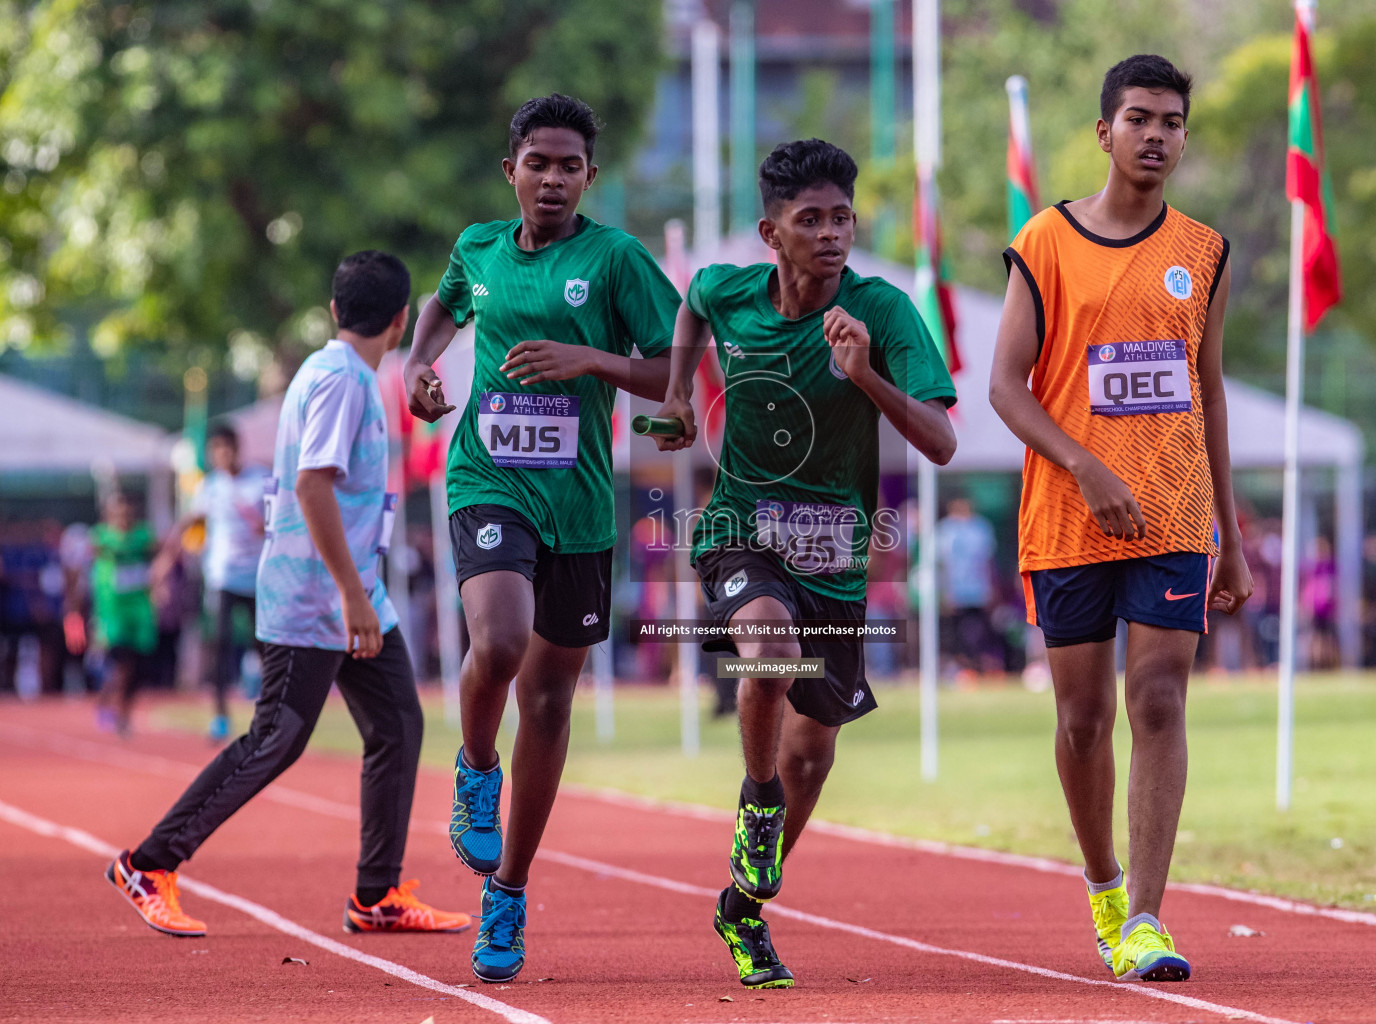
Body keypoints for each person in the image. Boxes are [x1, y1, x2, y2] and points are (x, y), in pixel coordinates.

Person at [651, 138, 957, 989]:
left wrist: (866, 378)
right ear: (771, 233)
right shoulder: (729, 290)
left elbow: (940, 441)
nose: (831, 234)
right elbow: (692, 308)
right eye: (809, 220)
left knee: (814, 754)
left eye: (842, 218)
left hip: (835, 559)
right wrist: (679, 394)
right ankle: (756, 800)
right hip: (740, 532)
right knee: (769, 642)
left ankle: (742, 910)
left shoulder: (883, 313)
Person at [106, 251, 468, 940]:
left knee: (397, 726)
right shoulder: (341, 382)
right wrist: (350, 597)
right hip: (315, 598)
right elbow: (312, 486)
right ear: (400, 321)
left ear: (335, 311)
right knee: (276, 739)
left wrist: (359, 596)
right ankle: (148, 864)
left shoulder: (342, 374)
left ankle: (376, 894)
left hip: (350, 595)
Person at [403, 94, 680, 983]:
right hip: (487, 475)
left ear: (590, 177)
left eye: (570, 165)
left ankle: (509, 892)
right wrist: (419, 363)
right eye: (538, 163)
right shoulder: (476, 250)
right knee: (500, 639)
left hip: (582, 508)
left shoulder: (615, 260)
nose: (553, 178)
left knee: (553, 703)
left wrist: (590, 360)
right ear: (511, 170)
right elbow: (442, 309)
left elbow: (676, 365)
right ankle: (476, 765)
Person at [988, 55, 1252, 982]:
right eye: (1139, 118)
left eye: (1173, 122)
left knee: (1159, 698)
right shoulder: (1046, 240)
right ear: (1104, 131)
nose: (1157, 135)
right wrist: (1086, 466)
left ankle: (1144, 916)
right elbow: (1004, 386)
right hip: (1066, 515)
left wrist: (1230, 535)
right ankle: (1102, 882)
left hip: (1176, 514)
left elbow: (1209, 392)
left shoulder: (1204, 251)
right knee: (1084, 717)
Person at [156, 422, 268, 739]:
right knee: (218, 641)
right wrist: (165, 561)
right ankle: (220, 715)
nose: (221, 455)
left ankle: (270, 709)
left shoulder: (260, 479)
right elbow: (188, 522)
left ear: (237, 448)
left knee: (264, 644)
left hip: (258, 576)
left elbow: (283, 516)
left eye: (226, 448)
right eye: (215, 450)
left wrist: (271, 527)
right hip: (223, 576)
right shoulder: (210, 487)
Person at [87, 493, 159, 736]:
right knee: (122, 665)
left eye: (127, 514)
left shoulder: (143, 537)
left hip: (140, 612)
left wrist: (160, 580)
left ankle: (121, 709)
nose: (123, 519)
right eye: (118, 514)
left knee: (136, 669)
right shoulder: (101, 538)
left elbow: (163, 553)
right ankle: (117, 712)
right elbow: (89, 558)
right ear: (109, 516)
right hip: (112, 613)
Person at [935, 496, 999, 674]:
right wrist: (944, 592)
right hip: (954, 592)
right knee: (955, 633)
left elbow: (988, 560)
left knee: (978, 632)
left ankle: (975, 667)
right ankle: (960, 668)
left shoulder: (981, 527)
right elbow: (940, 565)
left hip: (978, 590)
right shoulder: (944, 530)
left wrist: (991, 588)